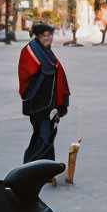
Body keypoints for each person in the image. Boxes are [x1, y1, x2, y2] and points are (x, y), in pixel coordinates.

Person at [18, 23, 70, 162]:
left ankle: (46, 168)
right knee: (43, 136)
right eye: (44, 36)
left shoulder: (46, 51)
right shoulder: (30, 50)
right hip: (38, 102)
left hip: (49, 102)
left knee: (48, 135)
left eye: (50, 35)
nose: (48, 38)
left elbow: (55, 70)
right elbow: (28, 75)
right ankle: (31, 167)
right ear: (37, 36)